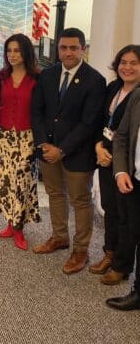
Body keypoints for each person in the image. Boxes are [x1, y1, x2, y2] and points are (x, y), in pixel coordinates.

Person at [31, 27, 106, 274]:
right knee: (55, 194)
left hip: (77, 153)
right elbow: (37, 111)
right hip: (47, 150)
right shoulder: (48, 75)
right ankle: (59, 237)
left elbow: (89, 123)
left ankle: (81, 250)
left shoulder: (95, 80)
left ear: (83, 49)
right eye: (63, 47)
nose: (68, 52)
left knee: (80, 201)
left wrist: (62, 150)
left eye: (74, 48)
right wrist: (43, 144)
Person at [90, 45, 140, 284]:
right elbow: (101, 122)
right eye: (123, 62)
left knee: (125, 216)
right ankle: (109, 253)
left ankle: (122, 265)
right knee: (109, 208)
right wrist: (99, 147)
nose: (127, 67)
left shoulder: (137, 95)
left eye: (134, 63)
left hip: (128, 165)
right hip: (105, 157)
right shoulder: (113, 88)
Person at [0, 33, 40, 250]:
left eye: (17, 51)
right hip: (5, 136)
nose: (12, 55)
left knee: (22, 180)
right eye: (9, 51)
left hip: (27, 136)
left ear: (26, 53)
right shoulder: (1, 77)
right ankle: (10, 222)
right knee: (6, 180)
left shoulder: (37, 78)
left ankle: (19, 226)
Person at [106, 86, 140, 310]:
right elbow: (121, 137)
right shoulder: (137, 96)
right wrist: (120, 171)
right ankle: (139, 292)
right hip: (135, 180)